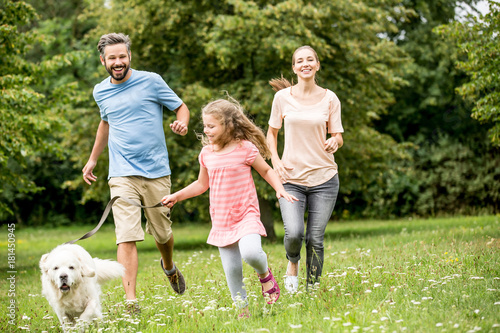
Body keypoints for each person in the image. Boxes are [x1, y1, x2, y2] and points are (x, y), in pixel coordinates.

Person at [82, 33, 189, 311]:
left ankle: (168, 265)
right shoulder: (100, 91)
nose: (118, 62)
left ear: (129, 57)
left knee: (162, 233)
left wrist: (182, 123)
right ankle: (131, 300)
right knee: (126, 235)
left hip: (156, 171)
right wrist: (93, 159)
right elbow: (105, 123)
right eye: (112, 58)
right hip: (121, 173)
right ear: (103, 60)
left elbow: (180, 107)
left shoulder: (151, 81)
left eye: (122, 57)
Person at [161, 98, 297, 317]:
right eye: (205, 125)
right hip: (222, 219)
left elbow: (266, 171)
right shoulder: (206, 154)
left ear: (228, 125)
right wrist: (177, 196)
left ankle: (265, 274)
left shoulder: (245, 148)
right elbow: (201, 184)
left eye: (211, 126)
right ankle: (243, 311)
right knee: (232, 270)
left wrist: (279, 188)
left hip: (246, 214)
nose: (206, 130)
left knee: (252, 252)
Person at [267, 45, 344, 292]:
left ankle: (312, 289)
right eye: (300, 61)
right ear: (294, 67)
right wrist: (275, 161)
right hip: (291, 179)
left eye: (310, 59)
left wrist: (335, 140)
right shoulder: (282, 98)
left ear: (317, 65)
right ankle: (293, 262)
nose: (305, 64)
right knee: (294, 234)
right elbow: (271, 133)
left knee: (315, 239)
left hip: (325, 178)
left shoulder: (330, 98)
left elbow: (338, 135)